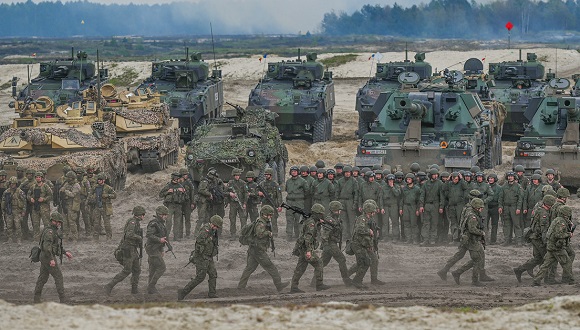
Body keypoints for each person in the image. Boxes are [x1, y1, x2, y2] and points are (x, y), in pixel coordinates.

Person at [237, 205, 289, 292]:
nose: (270, 217)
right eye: (269, 215)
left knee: (249, 268)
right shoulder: (261, 223)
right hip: (258, 250)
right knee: (271, 267)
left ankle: (241, 286)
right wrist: (268, 233)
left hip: (254, 249)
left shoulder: (261, 221)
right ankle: (279, 285)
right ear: (264, 214)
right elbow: (259, 234)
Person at [177, 215, 222, 300]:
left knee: (213, 274)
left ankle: (212, 293)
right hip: (201, 257)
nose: (217, 228)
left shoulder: (213, 231)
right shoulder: (205, 230)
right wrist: (209, 239)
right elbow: (199, 241)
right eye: (216, 226)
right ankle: (183, 292)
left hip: (209, 257)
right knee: (200, 277)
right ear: (212, 224)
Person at [514, 195, 556, 283]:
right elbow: (544, 230)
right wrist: (546, 243)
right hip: (538, 239)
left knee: (538, 258)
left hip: (534, 237)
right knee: (547, 258)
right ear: (549, 204)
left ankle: (520, 270)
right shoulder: (544, 213)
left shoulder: (539, 209)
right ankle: (546, 279)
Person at [290, 204, 331, 293]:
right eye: (320, 214)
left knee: (300, 268)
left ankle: (293, 287)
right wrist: (309, 251)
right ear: (317, 214)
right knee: (319, 263)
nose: (322, 216)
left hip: (302, 248)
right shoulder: (311, 223)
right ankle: (319, 285)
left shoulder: (310, 220)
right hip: (306, 248)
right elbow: (308, 238)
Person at [105, 206, 145, 295]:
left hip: (133, 249)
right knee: (127, 270)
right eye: (143, 214)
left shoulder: (136, 222)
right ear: (139, 215)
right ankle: (109, 286)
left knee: (137, 270)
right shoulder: (133, 222)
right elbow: (129, 235)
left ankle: (134, 290)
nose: (143, 216)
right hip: (128, 249)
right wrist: (139, 238)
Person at [33, 212, 73, 303]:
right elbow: (47, 247)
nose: (59, 223)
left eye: (60, 222)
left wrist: (65, 252)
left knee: (43, 278)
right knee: (58, 276)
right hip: (47, 256)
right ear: (53, 221)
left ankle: (36, 299)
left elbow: (55, 246)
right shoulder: (50, 232)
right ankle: (63, 301)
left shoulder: (51, 230)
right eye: (57, 222)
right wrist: (51, 259)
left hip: (45, 256)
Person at [310, 201, 352, 287]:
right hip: (330, 244)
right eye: (339, 210)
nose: (340, 212)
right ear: (335, 210)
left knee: (322, 263)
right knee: (342, 260)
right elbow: (325, 234)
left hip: (329, 244)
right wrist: (328, 243)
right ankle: (347, 281)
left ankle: (314, 281)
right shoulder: (329, 220)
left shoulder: (335, 219)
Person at [532, 205, 575, 286]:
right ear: (566, 213)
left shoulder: (557, 220)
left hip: (551, 246)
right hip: (557, 247)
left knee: (545, 265)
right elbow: (558, 234)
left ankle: (536, 280)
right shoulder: (561, 222)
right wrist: (569, 234)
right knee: (567, 263)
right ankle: (571, 279)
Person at [449, 198, 487, 286]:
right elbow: (472, 229)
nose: (482, 209)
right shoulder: (472, 217)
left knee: (477, 259)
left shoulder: (473, 214)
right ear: (476, 207)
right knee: (477, 260)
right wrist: (482, 233)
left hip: (471, 239)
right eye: (481, 207)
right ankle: (474, 281)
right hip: (471, 240)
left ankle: (457, 273)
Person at [348, 201, 376, 289]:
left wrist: (369, 246)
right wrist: (369, 231)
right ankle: (357, 281)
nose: (374, 213)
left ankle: (352, 278)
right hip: (357, 244)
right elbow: (359, 229)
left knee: (363, 262)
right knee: (365, 262)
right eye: (373, 211)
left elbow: (368, 237)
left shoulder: (368, 220)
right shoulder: (362, 219)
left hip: (362, 244)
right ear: (369, 211)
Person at [146, 206, 170, 294]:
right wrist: (160, 240)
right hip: (152, 248)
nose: (166, 216)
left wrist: (162, 249)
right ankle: (151, 286)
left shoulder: (161, 223)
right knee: (162, 267)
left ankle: (150, 288)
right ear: (160, 215)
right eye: (164, 215)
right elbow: (149, 235)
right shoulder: (154, 223)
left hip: (156, 248)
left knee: (153, 268)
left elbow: (161, 235)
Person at [419, 168, 444, 245]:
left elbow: (442, 196)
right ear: (430, 175)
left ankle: (432, 239)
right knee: (426, 223)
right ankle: (425, 239)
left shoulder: (440, 183)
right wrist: (421, 205)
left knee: (434, 223)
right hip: (427, 205)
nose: (435, 176)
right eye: (434, 174)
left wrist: (441, 206)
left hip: (435, 205)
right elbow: (422, 195)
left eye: (436, 174)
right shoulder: (426, 184)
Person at [498, 171, 524, 246]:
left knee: (516, 224)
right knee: (506, 224)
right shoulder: (504, 187)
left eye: (511, 176)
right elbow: (500, 197)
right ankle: (507, 240)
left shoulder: (518, 187)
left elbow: (520, 199)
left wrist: (518, 208)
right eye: (509, 176)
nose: (510, 177)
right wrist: (500, 206)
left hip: (514, 207)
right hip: (506, 208)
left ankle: (518, 240)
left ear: (514, 177)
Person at [88, 173, 116, 241]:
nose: (99, 181)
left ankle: (109, 237)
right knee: (96, 223)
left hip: (105, 207)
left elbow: (115, 195)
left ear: (103, 180)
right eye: (98, 180)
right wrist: (93, 198)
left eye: (100, 179)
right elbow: (89, 195)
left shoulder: (108, 187)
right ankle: (95, 238)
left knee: (107, 224)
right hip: (97, 207)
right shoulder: (95, 187)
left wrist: (107, 195)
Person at [158, 173, 186, 240]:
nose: (178, 180)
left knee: (177, 222)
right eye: (177, 178)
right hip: (170, 205)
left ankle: (176, 237)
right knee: (168, 221)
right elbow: (160, 195)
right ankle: (166, 236)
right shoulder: (168, 186)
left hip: (178, 206)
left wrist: (184, 192)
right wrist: (168, 192)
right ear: (174, 178)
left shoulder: (180, 186)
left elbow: (185, 197)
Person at [28, 171, 53, 241]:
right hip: (35, 207)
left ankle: (48, 238)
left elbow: (51, 195)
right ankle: (36, 238)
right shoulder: (32, 186)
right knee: (35, 224)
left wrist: (44, 199)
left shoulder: (45, 186)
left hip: (44, 208)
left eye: (39, 177)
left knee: (47, 224)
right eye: (37, 177)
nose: (38, 178)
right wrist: (31, 199)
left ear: (42, 178)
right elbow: (28, 195)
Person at [285, 166, 307, 240]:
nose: (293, 172)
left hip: (299, 203)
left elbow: (307, 191)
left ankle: (299, 235)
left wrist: (300, 198)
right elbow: (286, 190)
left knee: (299, 220)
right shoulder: (288, 181)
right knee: (289, 219)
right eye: (292, 171)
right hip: (289, 202)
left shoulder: (303, 181)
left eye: (295, 171)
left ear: (298, 172)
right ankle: (289, 235)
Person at [258, 168, 283, 235]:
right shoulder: (262, 184)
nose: (266, 176)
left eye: (267, 174)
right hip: (264, 204)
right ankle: (263, 232)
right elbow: (256, 192)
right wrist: (259, 194)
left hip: (273, 204)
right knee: (263, 219)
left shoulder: (275, 184)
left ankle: (275, 233)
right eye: (265, 174)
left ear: (271, 175)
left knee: (274, 219)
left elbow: (279, 196)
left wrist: (280, 205)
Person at [2, 176, 26, 243]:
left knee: (17, 225)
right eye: (11, 183)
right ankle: (10, 238)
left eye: (14, 183)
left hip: (17, 210)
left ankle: (18, 239)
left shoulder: (20, 191)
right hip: (9, 210)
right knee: (9, 225)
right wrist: (3, 210)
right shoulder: (6, 192)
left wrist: (23, 211)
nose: (12, 185)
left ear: (16, 184)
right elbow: (3, 201)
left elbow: (24, 202)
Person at [227, 168, 248, 239]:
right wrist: (230, 194)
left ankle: (244, 234)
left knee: (243, 219)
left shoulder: (243, 183)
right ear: (233, 175)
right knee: (232, 219)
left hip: (241, 203)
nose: (237, 176)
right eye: (235, 175)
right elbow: (224, 192)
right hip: (233, 204)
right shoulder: (230, 183)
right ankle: (233, 234)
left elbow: (246, 194)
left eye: (238, 175)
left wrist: (244, 203)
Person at [59, 171, 81, 241]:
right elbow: (61, 190)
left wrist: (65, 191)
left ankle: (75, 237)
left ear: (73, 178)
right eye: (67, 177)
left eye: (70, 178)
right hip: (65, 204)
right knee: (64, 221)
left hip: (72, 205)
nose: (68, 179)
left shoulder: (76, 185)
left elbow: (72, 195)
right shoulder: (66, 183)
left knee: (72, 221)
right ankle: (66, 236)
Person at [400, 173, 421, 244]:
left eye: (409, 179)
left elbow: (419, 201)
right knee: (406, 223)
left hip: (413, 207)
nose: (408, 180)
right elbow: (401, 199)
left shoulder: (417, 189)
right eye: (407, 179)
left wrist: (418, 209)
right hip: (405, 206)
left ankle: (415, 239)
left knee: (414, 224)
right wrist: (401, 208)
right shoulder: (404, 189)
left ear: (413, 180)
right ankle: (408, 238)